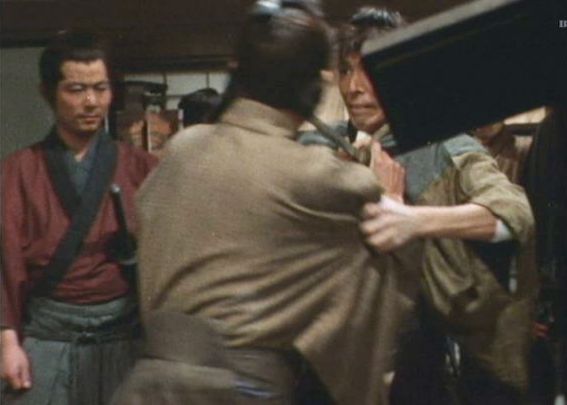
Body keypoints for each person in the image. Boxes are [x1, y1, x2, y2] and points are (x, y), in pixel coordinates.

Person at [111, 1, 419, 404]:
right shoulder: (323, 176)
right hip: (240, 388)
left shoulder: (184, 148)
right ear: (314, 87)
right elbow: (382, 285)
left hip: (151, 384)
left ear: (238, 71)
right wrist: (393, 202)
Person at [335, 7, 536, 404]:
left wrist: (412, 219)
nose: (353, 87)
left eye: (368, 71)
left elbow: (515, 212)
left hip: (468, 368)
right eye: (345, 70)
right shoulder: (366, 153)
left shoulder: (443, 145)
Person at [0, 30, 158, 405]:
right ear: (47, 92)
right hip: (47, 338)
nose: (91, 102)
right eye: (76, 89)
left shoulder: (142, 167)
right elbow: (4, 265)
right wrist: (7, 343)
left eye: (100, 89)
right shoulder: (17, 172)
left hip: (125, 337)